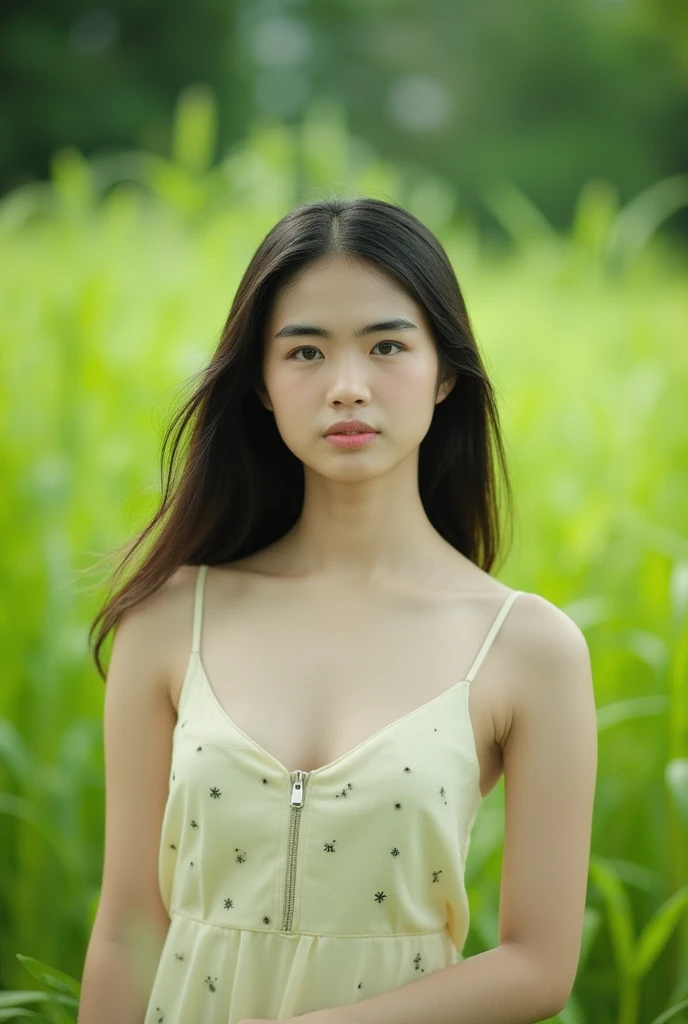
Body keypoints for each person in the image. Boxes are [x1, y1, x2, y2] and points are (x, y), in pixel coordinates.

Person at [77, 195, 597, 1024]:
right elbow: (127, 932)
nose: (348, 388)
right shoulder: (173, 617)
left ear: (446, 372)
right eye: (307, 352)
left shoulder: (527, 647)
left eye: (387, 346)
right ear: (262, 383)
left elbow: (538, 966)